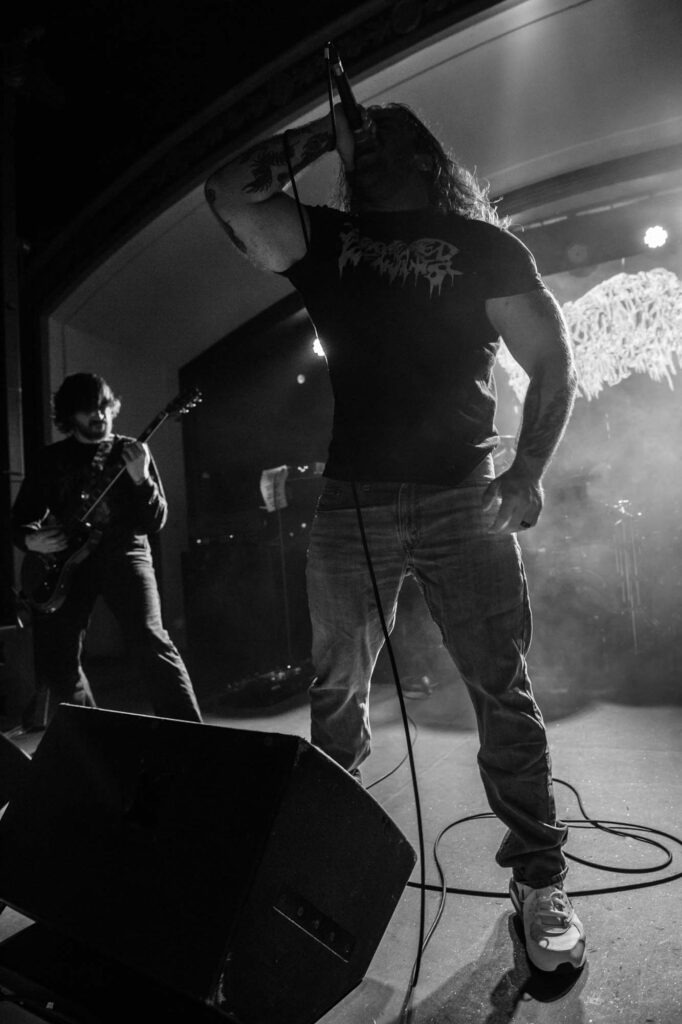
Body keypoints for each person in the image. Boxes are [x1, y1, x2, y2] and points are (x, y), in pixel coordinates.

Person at [204, 100, 585, 972]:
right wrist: (319, 136)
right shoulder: (325, 240)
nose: (369, 151)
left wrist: (527, 469)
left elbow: (551, 358)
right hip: (353, 504)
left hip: (464, 498)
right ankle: (314, 872)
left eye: (387, 137)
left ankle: (539, 879)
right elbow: (228, 193)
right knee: (336, 694)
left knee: (502, 689)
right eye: (359, 142)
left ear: (424, 152)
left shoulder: (484, 247)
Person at [11, 373, 202, 726]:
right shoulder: (50, 460)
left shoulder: (132, 450)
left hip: (125, 554)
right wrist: (30, 539)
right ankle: (91, 739)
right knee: (58, 659)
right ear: (70, 415)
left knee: (152, 643)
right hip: (68, 563)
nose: (98, 415)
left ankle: (192, 738)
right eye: (87, 409)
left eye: (103, 406)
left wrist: (141, 478)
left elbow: (155, 521)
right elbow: (20, 519)